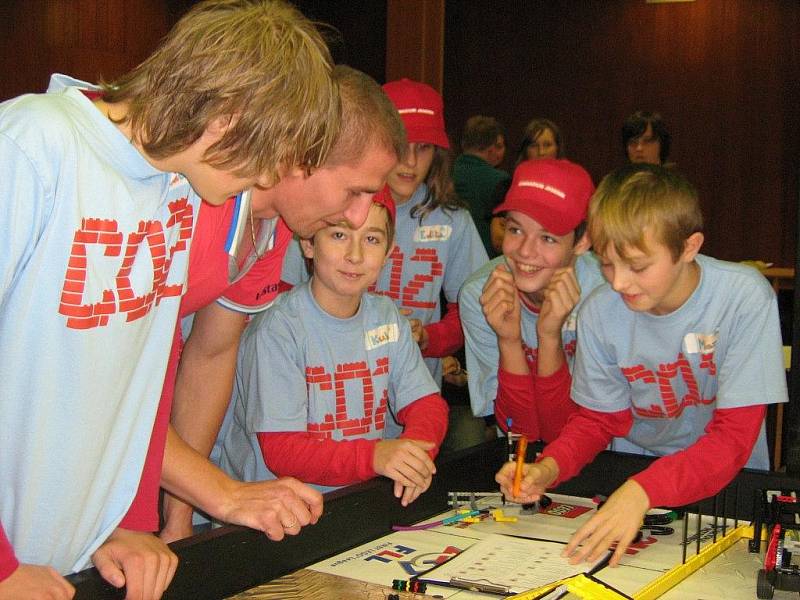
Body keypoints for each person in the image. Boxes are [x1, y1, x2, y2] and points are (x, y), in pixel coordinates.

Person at [0, 1, 341, 598]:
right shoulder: (34, 144)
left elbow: (142, 381)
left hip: (64, 557)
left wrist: (125, 524)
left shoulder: (175, 197)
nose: (265, 183)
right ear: (226, 119)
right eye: (267, 158)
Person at [158, 64, 405, 543]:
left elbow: (209, 356)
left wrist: (180, 517)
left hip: (158, 464)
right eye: (355, 191)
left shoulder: (273, 230)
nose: (358, 213)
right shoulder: (191, 199)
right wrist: (217, 493)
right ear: (304, 155)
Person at [497, 164, 788, 567]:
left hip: (727, 485)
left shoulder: (744, 298)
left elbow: (733, 440)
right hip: (634, 479)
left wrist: (643, 490)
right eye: (606, 265)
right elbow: (598, 421)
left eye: (637, 266)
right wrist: (549, 468)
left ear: (689, 247)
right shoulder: (600, 312)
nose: (617, 284)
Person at [217, 188, 449, 506]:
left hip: (351, 497)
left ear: (389, 250)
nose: (355, 255)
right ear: (309, 243)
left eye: (371, 239)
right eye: (339, 235)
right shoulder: (279, 328)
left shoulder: (387, 316)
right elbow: (282, 451)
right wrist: (375, 457)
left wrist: (414, 455)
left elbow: (427, 404)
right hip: (274, 510)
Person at [460, 159, 603, 441]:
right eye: (515, 230)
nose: (525, 251)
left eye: (547, 238)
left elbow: (567, 434)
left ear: (582, 241)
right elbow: (518, 432)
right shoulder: (480, 295)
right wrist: (509, 341)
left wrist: (549, 337)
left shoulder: (606, 294)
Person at [452, 115, 511, 257]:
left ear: (463, 143)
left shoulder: (439, 176)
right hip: (484, 263)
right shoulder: (500, 181)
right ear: (491, 148)